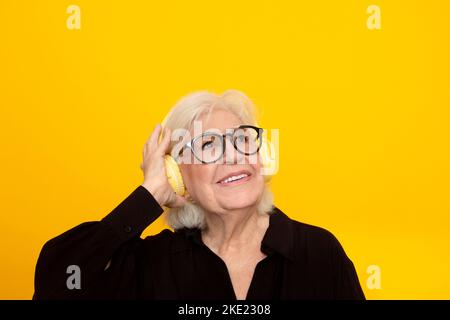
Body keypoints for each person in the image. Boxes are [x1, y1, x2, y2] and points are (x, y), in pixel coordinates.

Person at [33, 89, 365, 300]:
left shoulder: (318, 253)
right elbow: (57, 282)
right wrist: (148, 195)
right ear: (180, 178)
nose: (233, 154)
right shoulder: (152, 264)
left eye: (242, 139)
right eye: (208, 145)